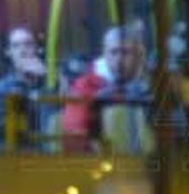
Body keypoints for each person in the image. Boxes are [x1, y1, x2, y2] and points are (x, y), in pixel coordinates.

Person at [63, 25, 153, 153]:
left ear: (139, 55)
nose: (119, 59)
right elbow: (74, 134)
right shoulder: (84, 86)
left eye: (126, 52)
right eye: (114, 52)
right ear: (104, 53)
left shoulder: (153, 83)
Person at [0, 26, 47, 148]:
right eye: (16, 46)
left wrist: (46, 80)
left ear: (37, 49)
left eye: (28, 44)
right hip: (17, 157)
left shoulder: (51, 83)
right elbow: (6, 129)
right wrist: (24, 86)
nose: (22, 51)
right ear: (8, 52)